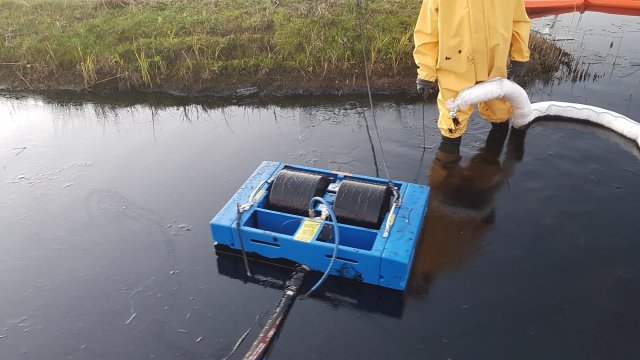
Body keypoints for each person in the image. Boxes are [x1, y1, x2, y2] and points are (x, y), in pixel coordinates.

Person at [409, 125, 526, 295]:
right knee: (485, 158)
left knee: (455, 160)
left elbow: (483, 228)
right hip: (463, 200)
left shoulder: (450, 261)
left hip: (460, 200)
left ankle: (489, 138)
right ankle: (497, 133)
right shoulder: (453, 261)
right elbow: (482, 229)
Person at [413, 0, 531, 151]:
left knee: (500, 112)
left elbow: (519, 21)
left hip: (494, 67)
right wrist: (426, 73)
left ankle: (493, 163)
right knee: (452, 122)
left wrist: (520, 57)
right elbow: (427, 31)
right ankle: (447, 166)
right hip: (455, 65)